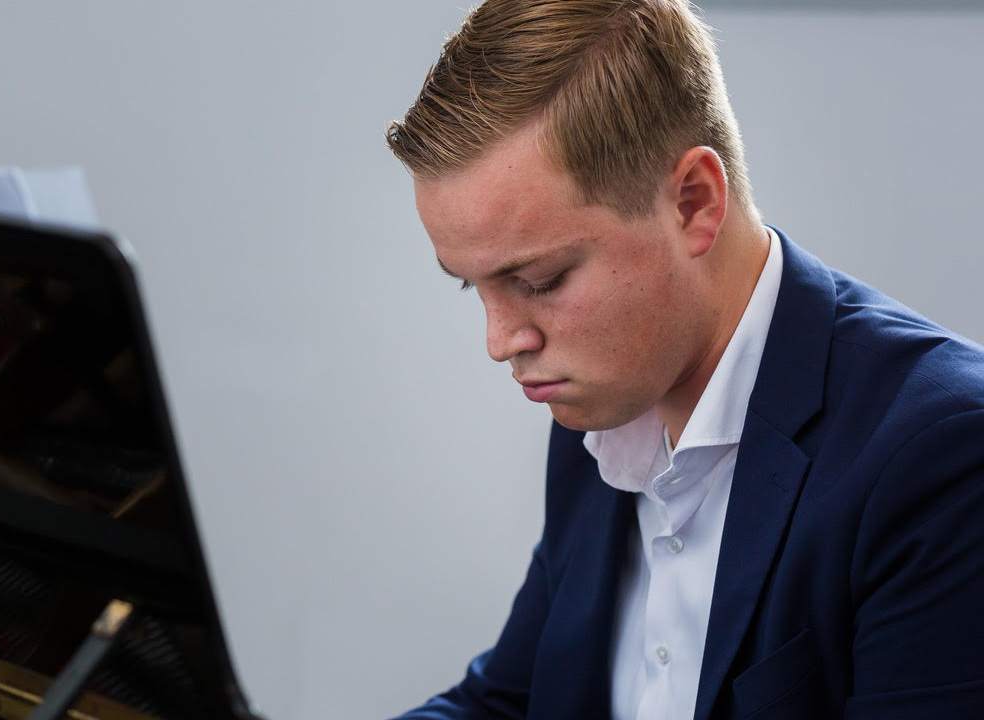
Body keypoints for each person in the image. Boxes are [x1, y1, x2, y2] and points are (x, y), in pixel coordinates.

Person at [383, 1, 984, 718]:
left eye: (538, 281)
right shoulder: (601, 416)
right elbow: (506, 704)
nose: (501, 340)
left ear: (694, 202)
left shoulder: (944, 455)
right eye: (472, 286)